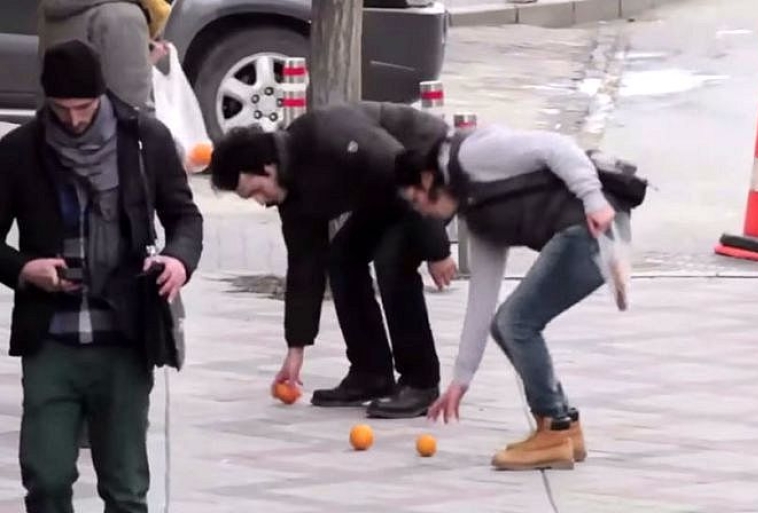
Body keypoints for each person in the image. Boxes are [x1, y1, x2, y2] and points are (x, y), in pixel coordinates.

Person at [0, 40, 203, 512]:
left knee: (126, 487)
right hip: (51, 336)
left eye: (84, 107)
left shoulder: (144, 140)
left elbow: (185, 217)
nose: (73, 119)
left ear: (102, 96)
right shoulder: (19, 151)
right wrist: (23, 269)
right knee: (47, 480)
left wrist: (177, 260)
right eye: (61, 108)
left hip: (125, 334)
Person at [395, 123, 647, 470]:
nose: (419, 211)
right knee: (508, 324)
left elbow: (556, 146)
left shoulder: (472, 153)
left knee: (516, 322)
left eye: (415, 200)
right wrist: (461, 379)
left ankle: (553, 430)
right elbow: (481, 302)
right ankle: (564, 427)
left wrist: (593, 199)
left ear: (426, 180)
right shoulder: (479, 216)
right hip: (585, 234)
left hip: (593, 225)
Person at [207, 102, 457, 419]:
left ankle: (420, 382)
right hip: (386, 192)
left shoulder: (330, 139)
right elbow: (304, 265)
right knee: (342, 258)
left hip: (428, 171)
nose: (260, 202)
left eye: (255, 191)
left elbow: (404, 169)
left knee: (392, 260)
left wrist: (437, 248)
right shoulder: (290, 191)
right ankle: (371, 372)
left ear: (268, 168)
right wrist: (295, 349)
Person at [37, 0, 156, 112]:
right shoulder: (123, 16)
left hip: (53, 128)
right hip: (106, 130)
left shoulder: (52, 8)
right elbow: (132, 104)